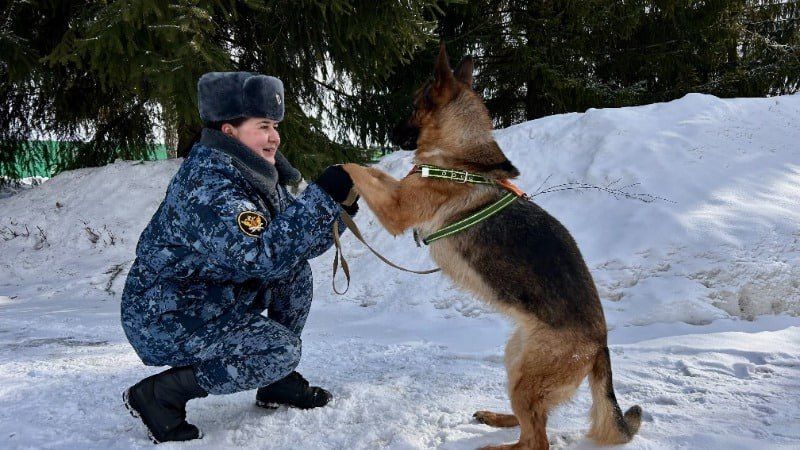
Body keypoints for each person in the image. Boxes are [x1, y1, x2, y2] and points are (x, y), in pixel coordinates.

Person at [120, 72, 358, 443]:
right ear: (229, 131)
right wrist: (321, 199)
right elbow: (260, 257)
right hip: (165, 316)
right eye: (263, 126)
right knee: (280, 349)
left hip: (211, 297)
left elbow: (295, 246)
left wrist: (337, 207)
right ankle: (159, 395)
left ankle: (274, 381)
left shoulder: (256, 175)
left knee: (294, 275)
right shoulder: (210, 184)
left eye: (275, 126)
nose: (275, 137)